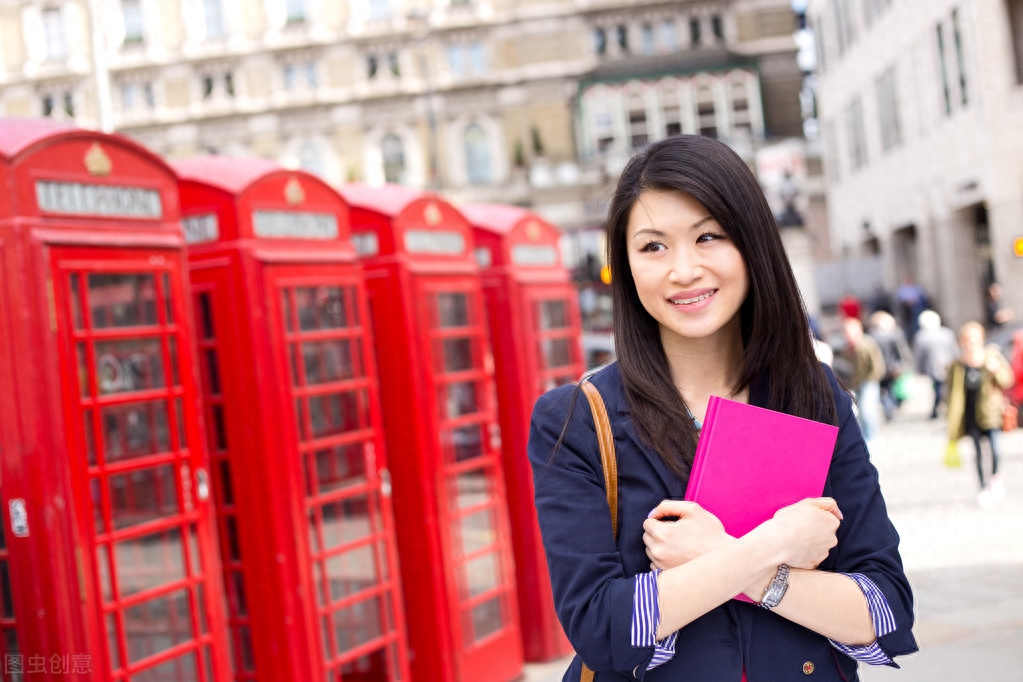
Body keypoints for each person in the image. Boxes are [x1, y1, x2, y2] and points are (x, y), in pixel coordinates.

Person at [527, 136, 916, 682]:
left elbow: (884, 609)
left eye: (708, 236)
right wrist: (775, 546)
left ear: (752, 245)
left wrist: (721, 558)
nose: (683, 270)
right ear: (627, 266)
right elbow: (604, 629)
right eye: (653, 246)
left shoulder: (813, 395)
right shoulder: (575, 421)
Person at [946, 321, 1015, 508]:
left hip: (990, 412)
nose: (970, 344)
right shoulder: (958, 365)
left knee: (994, 449)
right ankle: (983, 488)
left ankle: (994, 478)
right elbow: (952, 391)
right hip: (970, 414)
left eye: (974, 340)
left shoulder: (991, 357)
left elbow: (1007, 380)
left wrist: (995, 370)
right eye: (967, 340)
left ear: (981, 340)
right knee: (977, 452)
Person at [835, 316, 886, 448]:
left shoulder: (867, 344)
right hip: (855, 382)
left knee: (867, 410)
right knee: (860, 411)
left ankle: (872, 437)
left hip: (868, 381)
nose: (847, 336)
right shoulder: (849, 347)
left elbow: (877, 365)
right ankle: (864, 436)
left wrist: (873, 379)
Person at [913, 309, 960, 419]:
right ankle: (940, 408)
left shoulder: (922, 336)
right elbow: (955, 350)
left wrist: (919, 369)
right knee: (944, 388)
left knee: (939, 389)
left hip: (935, 366)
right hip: (945, 365)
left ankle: (937, 409)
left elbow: (918, 356)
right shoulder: (946, 333)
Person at [867, 311, 912, 421]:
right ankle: (890, 407)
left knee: (884, 389)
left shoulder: (871, 337)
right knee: (890, 388)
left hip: (880, 368)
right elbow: (900, 352)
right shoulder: (894, 335)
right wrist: (901, 364)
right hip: (891, 367)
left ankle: (888, 407)